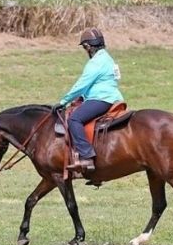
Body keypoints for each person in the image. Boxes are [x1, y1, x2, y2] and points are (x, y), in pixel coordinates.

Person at [53, 27, 124, 173]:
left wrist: (63, 101)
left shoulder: (96, 62)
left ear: (88, 46)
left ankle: (87, 156)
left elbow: (82, 84)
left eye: (85, 48)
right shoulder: (108, 59)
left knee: (74, 119)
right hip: (113, 97)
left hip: (101, 99)